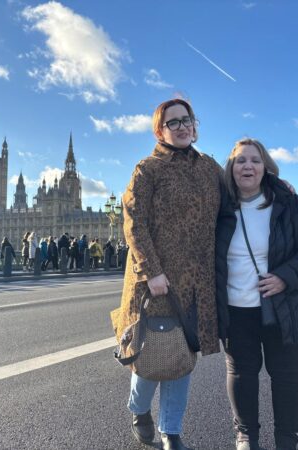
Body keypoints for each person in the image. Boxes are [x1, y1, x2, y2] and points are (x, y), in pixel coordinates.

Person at [111, 98, 223, 450]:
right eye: (173, 122)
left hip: (196, 281)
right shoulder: (148, 169)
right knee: (150, 353)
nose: (182, 126)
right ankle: (138, 409)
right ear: (160, 130)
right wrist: (153, 272)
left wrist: (281, 188)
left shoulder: (209, 167)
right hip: (154, 282)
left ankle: (171, 431)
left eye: (187, 119)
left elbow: (243, 184)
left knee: (182, 357)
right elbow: (134, 224)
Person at [216, 138, 298, 450]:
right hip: (236, 308)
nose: (248, 166)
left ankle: (286, 440)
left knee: (288, 375)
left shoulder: (289, 203)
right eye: (240, 160)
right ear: (231, 168)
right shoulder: (218, 206)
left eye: (255, 160)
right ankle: (246, 435)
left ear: (266, 167)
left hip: (282, 306)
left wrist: (284, 277)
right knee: (241, 374)